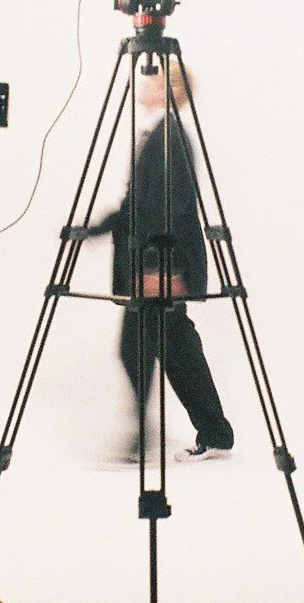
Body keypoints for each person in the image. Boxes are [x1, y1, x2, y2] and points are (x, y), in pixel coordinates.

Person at [86, 63, 234, 463]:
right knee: (176, 348)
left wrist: (155, 268)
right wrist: (96, 229)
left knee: (135, 346)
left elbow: (168, 208)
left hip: (161, 265)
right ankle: (215, 434)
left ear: (169, 88)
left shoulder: (169, 138)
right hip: (160, 262)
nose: (142, 82)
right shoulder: (162, 134)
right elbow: (139, 206)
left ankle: (145, 440)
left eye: (151, 78)